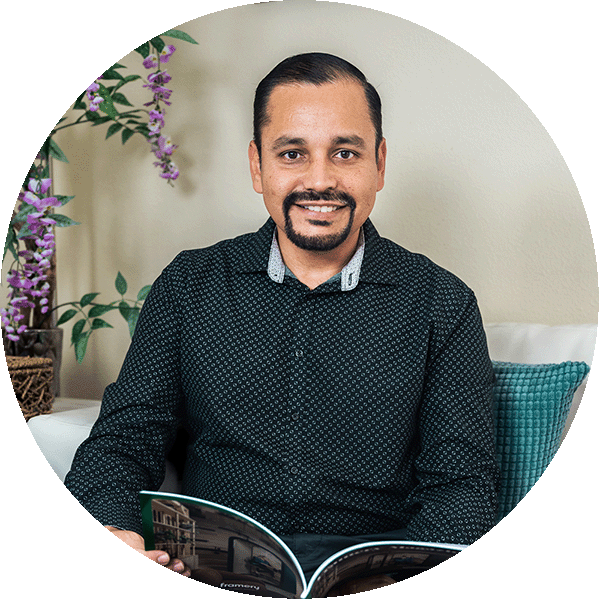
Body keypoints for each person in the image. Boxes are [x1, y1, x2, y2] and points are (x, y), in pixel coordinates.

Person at [65, 52, 499, 585]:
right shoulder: (189, 285)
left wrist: (400, 580)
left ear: (379, 164)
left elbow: (462, 489)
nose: (321, 181)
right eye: (292, 153)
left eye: (345, 152)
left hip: (373, 577)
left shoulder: (442, 304)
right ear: (257, 166)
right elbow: (122, 442)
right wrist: (115, 530)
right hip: (201, 570)